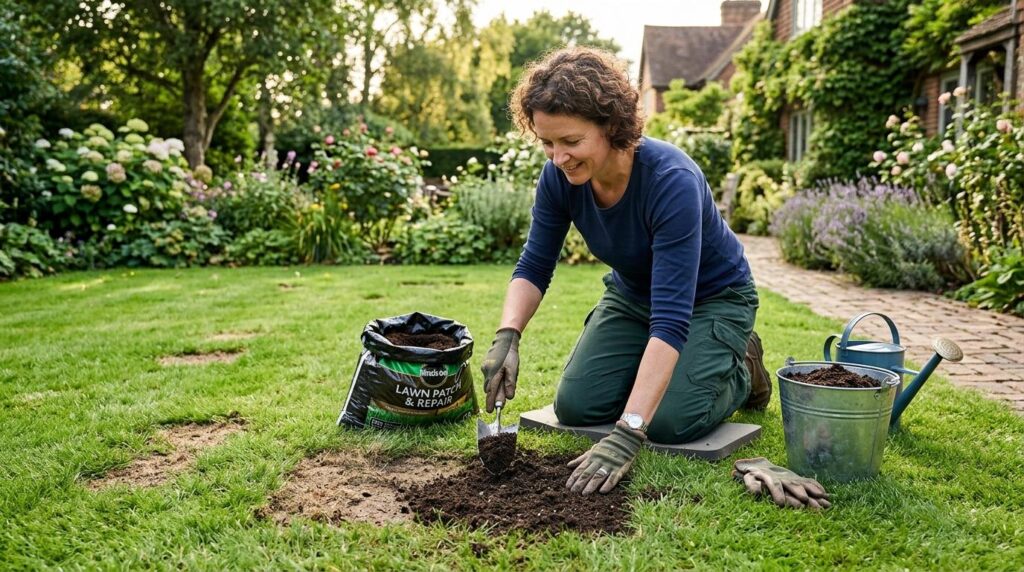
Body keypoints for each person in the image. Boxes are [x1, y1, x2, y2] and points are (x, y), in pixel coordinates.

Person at [479, 46, 771, 496]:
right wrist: (508, 336)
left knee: (670, 422)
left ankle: (743, 366)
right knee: (576, 406)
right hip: (633, 296)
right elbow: (534, 264)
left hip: (712, 300)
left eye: (571, 142)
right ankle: (664, 371)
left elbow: (672, 317)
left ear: (611, 126)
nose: (558, 158)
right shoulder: (558, 178)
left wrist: (629, 430)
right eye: (547, 143)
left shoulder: (671, 180)